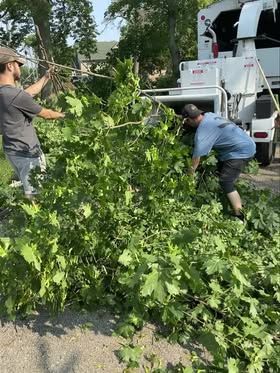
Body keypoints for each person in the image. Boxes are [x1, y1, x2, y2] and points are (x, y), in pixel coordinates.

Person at [0, 47, 65, 198]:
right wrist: (67, 115)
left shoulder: (6, 94)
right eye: (18, 64)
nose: (19, 68)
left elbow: (27, 94)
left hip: (12, 151)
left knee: (30, 188)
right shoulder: (15, 96)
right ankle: (35, 220)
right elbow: (47, 114)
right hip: (27, 153)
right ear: (10, 66)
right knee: (35, 195)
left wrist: (46, 77)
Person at [182, 104, 256, 219]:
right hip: (245, 143)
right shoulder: (209, 115)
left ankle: (240, 215)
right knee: (220, 171)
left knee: (225, 181)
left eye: (187, 121)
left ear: (188, 120)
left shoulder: (202, 132)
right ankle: (228, 197)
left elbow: (196, 159)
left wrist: (189, 176)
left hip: (240, 151)